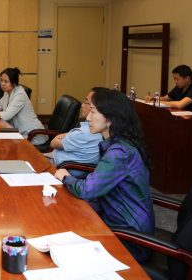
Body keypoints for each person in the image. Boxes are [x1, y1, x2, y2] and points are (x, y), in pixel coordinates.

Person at [54, 89, 154, 262]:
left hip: (129, 239)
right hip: (115, 220)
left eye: (93, 112)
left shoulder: (119, 152)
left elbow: (87, 190)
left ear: (110, 119)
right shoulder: (119, 143)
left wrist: (65, 176)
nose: (88, 118)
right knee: (62, 215)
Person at [45, 87, 106, 176]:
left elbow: (53, 143)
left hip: (58, 166)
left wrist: (66, 135)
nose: (82, 105)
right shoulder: (97, 130)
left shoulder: (86, 132)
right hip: (57, 160)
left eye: (86, 102)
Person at [0, 67, 48, 145]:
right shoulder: (7, 92)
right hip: (18, 131)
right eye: (1, 80)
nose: (2, 84)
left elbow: (6, 116)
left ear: (14, 83)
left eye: (6, 81)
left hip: (32, 134)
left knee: (0, 142)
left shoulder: (20, 94)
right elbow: (0, 105)